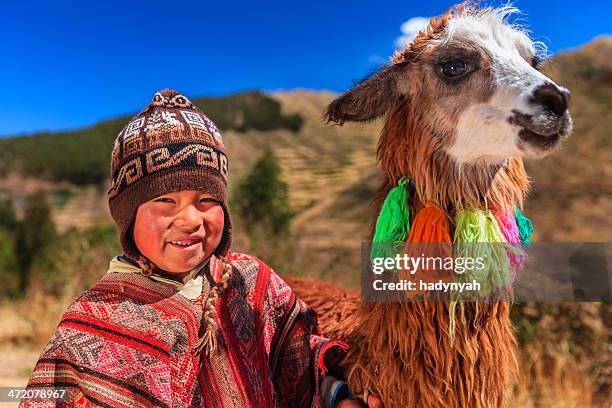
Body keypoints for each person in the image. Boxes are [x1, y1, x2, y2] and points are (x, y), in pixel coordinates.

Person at [21, 89, 381, 407]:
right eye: (165, 200)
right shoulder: (92, 320)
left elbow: (297, 363)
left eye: (206, 199)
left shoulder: (253, 286)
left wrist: (336, 394)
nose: (191, 219)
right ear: (128, 217)